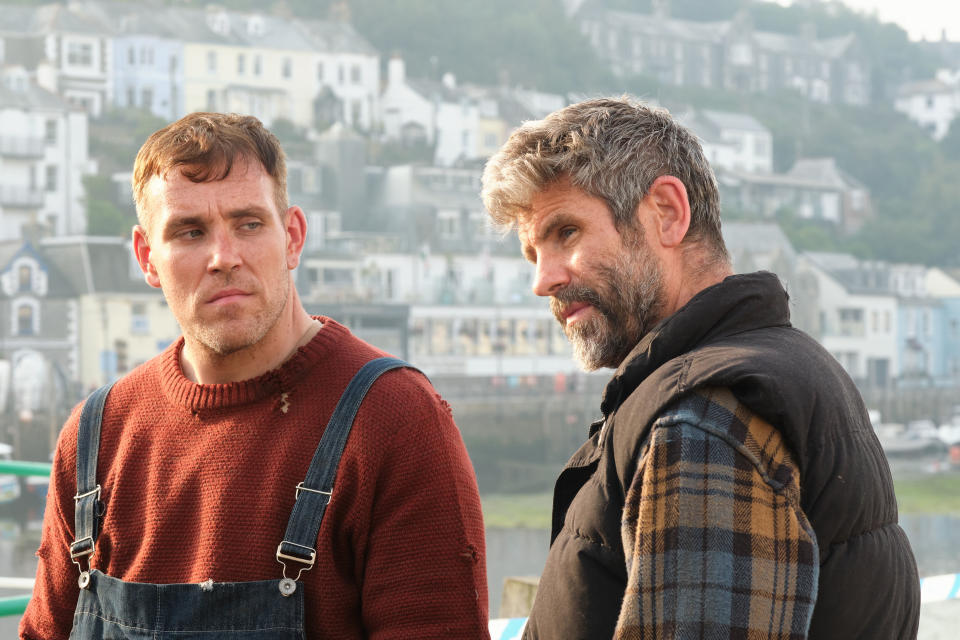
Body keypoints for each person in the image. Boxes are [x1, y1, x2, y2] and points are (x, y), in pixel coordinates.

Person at [21, 112, 489, 639]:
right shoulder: (95, 435)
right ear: (147, 258)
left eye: (248, 223)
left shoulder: (396, 421)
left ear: (292, 237)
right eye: (190, 231)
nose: (224, 257)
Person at [481, 98, 920, 639]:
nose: (542, 280)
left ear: (667, 212)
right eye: (532, 254)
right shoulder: (789, 368)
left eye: (565, 233)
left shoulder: (704, 420)